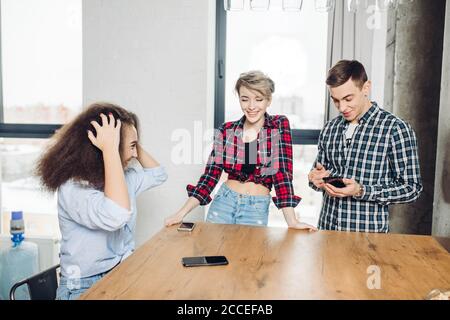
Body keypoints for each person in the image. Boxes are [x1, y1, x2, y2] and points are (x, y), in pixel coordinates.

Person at [36, 102, 167, 299]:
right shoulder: (73, 188)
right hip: (81, 286)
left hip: (119, 273)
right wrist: (110, 149)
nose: (135, 154)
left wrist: (131, 139)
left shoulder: (125, 178)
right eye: (132, 147)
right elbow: (116, 215)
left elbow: (158, 174)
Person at [165, 71, 316, 231]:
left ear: (268, 100)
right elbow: (210, 176)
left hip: (255, 208)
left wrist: (292, 221)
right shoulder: (227, 130)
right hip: (224, 202)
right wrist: (180, 214)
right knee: (211, 253)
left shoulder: (278, 125)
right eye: (245, 99)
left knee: (246, 256)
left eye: (259, 99)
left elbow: (282, 175)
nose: (251, 106)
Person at [308, 60, 423, 233]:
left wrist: (361, 190)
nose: (342, 107)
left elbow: (412, 188)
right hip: (326, 232)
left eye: (348, 99)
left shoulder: (395, 129)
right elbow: (318, 175)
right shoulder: (330, 128)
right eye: (336, 101)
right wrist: (315, 179)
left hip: (368, 238)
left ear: (366, 88)